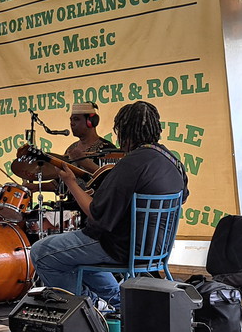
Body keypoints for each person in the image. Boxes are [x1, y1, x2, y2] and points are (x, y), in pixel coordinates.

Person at [30, 101, 187, 311]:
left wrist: (70, 182)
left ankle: (87, 310)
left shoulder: (131, 163)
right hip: (157, 248)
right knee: (78, 254)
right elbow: (182, 197)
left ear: (125, 131)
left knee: (41, 252)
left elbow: (97, 215)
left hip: (122, 248)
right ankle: (118, 303)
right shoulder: (172, 160)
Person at [63, 102, 116, 171]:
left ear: (90, 122)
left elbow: (112, 175)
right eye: (71, 120)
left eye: (76, 119)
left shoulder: (108, 149)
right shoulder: (70, 149)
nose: (72, 123)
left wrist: (85, 163)